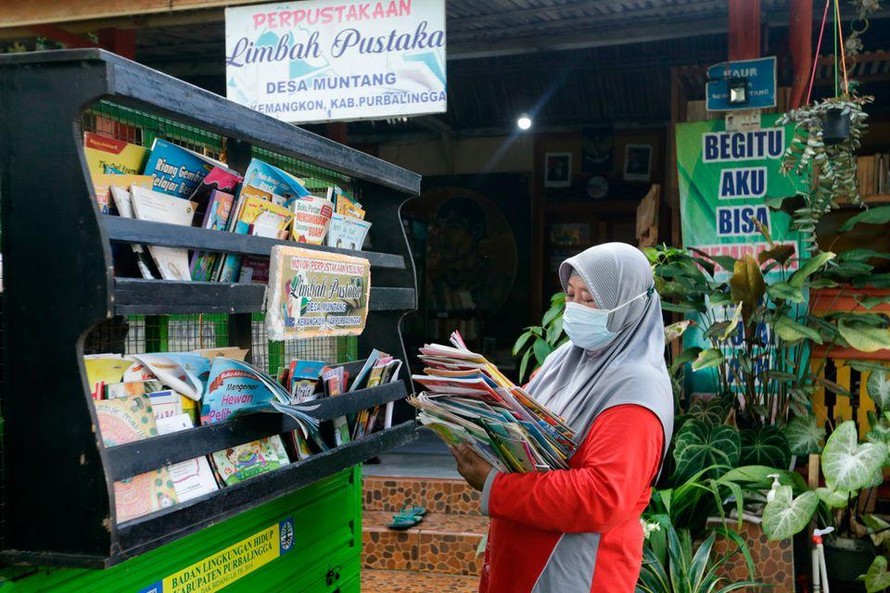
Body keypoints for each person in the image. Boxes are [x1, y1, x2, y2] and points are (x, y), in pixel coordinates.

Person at [450, 242, 674, 593]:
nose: (576, 308)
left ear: (628, 307)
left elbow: (601, 496)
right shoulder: (562, 361)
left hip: (574, 571)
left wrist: (496, 486)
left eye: (591, 299)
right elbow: (521, 418)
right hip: (520, 556)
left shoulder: (636, 392)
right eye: (571, 294)